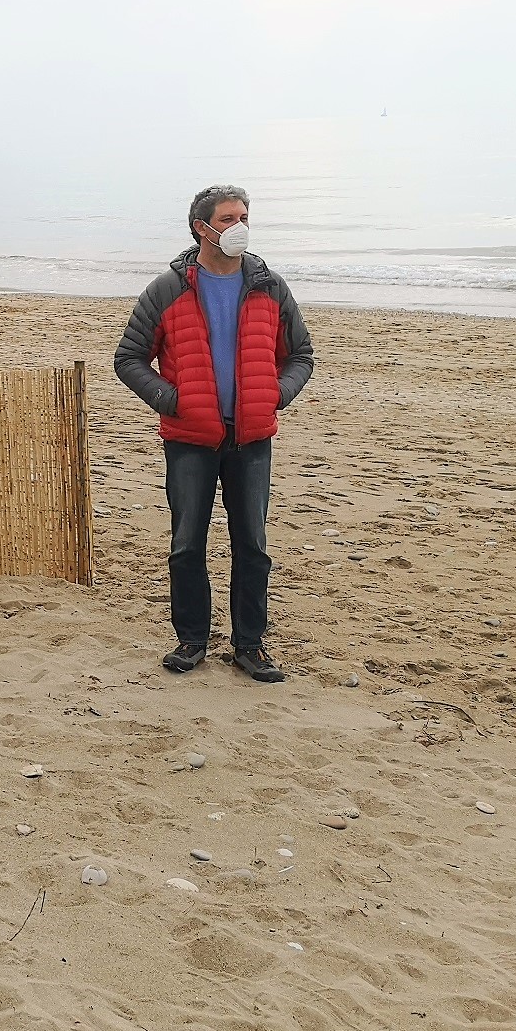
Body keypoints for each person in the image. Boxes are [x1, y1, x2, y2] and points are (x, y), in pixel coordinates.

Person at [114, 186, 315, 683]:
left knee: (253, 544)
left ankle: (250, 645)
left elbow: (301, 355)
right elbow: (128, 359)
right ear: (201, 228)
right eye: (228, 218)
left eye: (244, 216)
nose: (240, 226)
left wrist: (274, 395)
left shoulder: (269, 286)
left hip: (251, 438)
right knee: (187, 544)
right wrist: (172, 399)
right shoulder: (168, 289)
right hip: (189, 440)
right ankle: (192, 641)